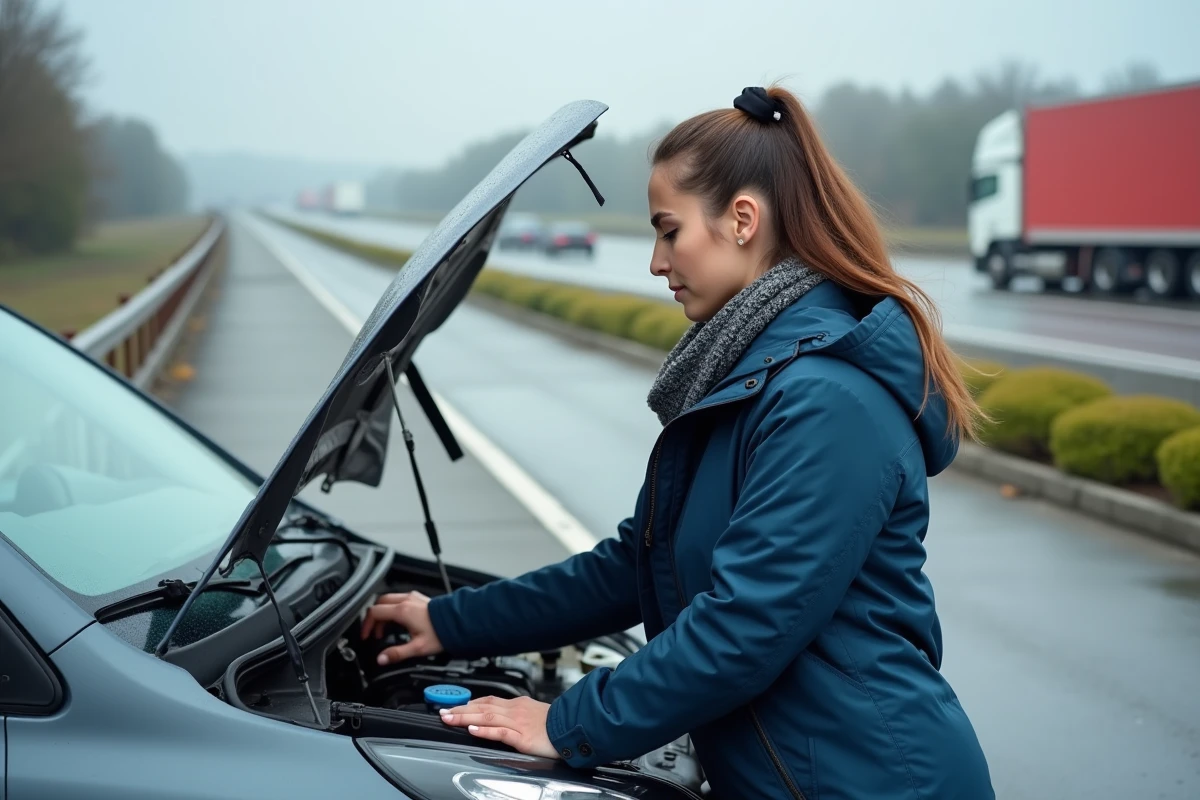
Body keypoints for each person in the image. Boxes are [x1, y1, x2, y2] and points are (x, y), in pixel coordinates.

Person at [361, 85, 995, 799]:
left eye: (669, 230)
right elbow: (637, 565)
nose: (657, 262)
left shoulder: (827, 402)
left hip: (873, 781)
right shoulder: (750, 382)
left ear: (743, 220)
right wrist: (449, 623)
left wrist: (570, 724)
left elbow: (746, 625)